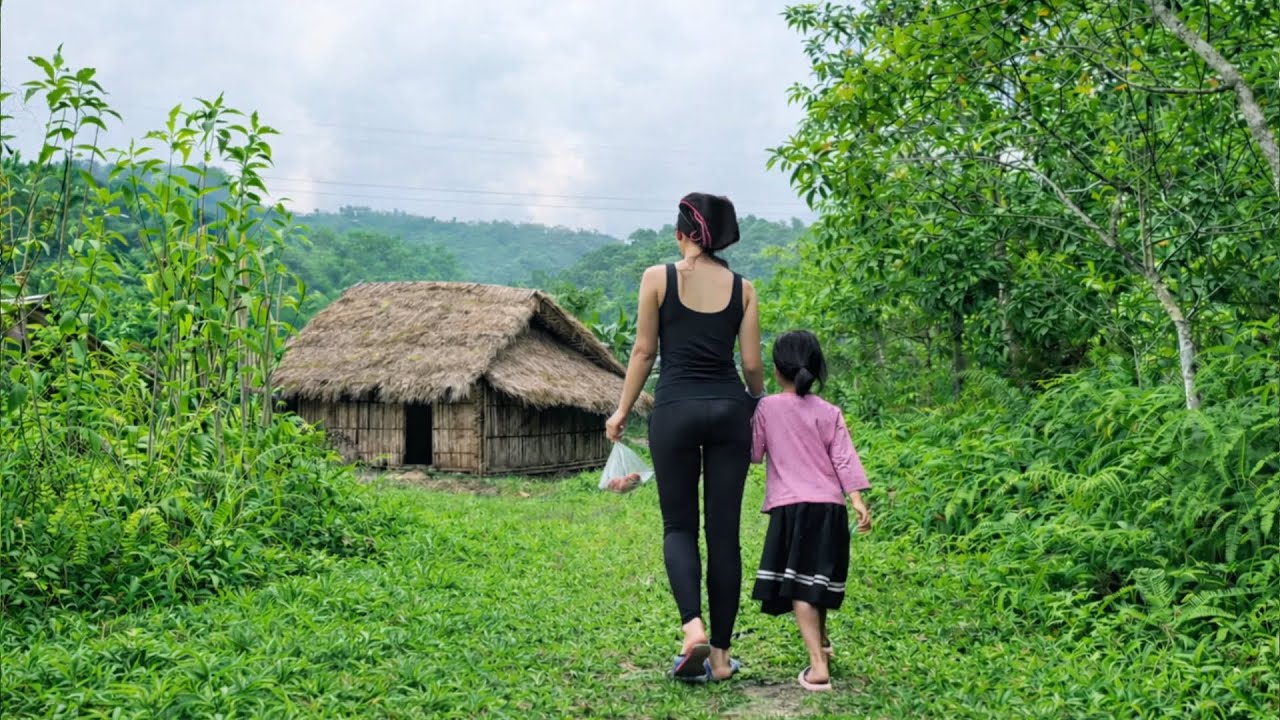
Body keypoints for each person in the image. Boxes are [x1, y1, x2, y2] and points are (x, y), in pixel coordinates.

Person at [605, 192, 765, 683]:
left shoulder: (658, 278)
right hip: (729, 412)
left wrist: (622, 411)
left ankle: (692, 627)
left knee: (678, 527)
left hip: (674, 409)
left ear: (682, 235)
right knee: (724, 535)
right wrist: (757, 411)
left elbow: (643, 351)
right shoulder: (744, 288)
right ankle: (719, 658)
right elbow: (753, 365)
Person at [748, 330, 872, 693]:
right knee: (817, 580)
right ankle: (824, 646)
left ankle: (818, 668)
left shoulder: (767, 408)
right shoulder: (829, 412)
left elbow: (754, 454)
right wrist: (858, 500)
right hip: (831, 508)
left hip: (793, 507)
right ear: (816, 368)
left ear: (776, 369)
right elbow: (844, 458)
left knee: (801, 588)